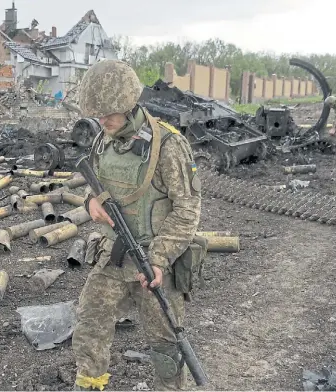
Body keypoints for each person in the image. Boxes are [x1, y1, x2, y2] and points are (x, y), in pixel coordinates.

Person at [72, 59, 203, 391]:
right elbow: (95, 183)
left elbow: (187, 209)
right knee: (89, 327)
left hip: (154, 264)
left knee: (166, 347)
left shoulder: (168, 146)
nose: (104, 121)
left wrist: (158, 259)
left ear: (130, 103)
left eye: (110, 113)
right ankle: (88, 385)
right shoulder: (104, 139)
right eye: (98, 115)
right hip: (112, 257)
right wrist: (90, 202)